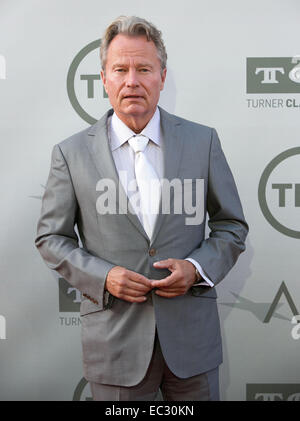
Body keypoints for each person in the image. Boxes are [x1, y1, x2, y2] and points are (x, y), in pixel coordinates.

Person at [35, 16, 248, 401]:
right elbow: (52, 238)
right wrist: (104, 277)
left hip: (191, 345)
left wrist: (196, 268)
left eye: (144, 69)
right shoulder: (71, 154)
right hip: (114, 346)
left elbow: (231, 225)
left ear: (162, 77)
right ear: (104, 78)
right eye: (120, 69)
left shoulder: (203, 142)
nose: (132, 80)